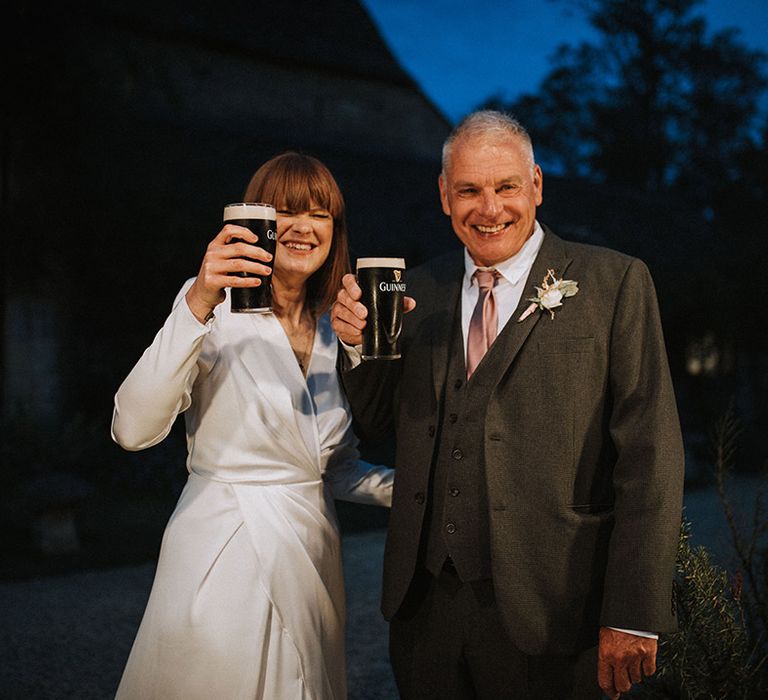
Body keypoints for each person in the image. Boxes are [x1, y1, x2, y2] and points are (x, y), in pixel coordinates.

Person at [331, 111, 684, 699]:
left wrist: (633, 611)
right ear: (445, 196)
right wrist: (355, 347)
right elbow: (376, 421)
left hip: (556, 608)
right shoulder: (418, 290)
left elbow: (651, 457)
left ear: (537, 185)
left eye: (506, 187)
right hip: (424, 612)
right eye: (469, 190)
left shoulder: (614, 282)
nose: (488, 208)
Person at [111, 152, 393, 700]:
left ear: (335, 232)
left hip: (313, 554)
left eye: (320, 213)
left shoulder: (338, 329)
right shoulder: (212, 310)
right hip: (224, 547)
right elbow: (132, 429)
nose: (302, 227)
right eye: (285, 211)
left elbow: (334, 471)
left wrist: (424, 490)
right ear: (254, 222)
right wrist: (196, 301)